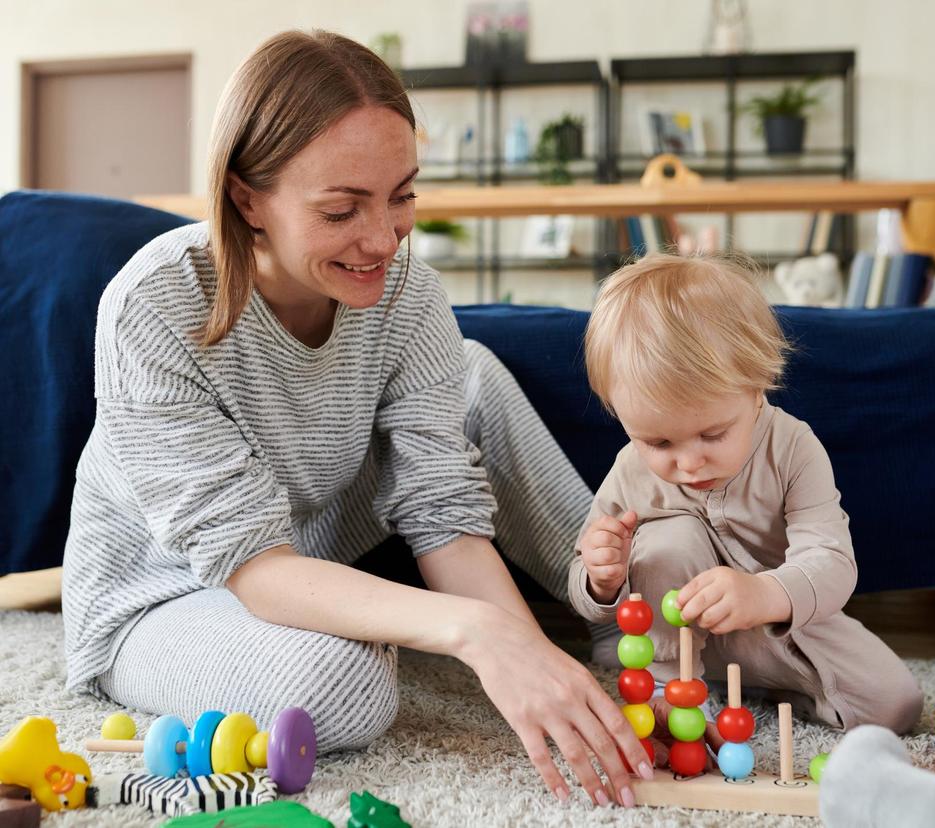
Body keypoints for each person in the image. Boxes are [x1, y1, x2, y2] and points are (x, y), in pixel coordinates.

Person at [61, 29, 650, 808]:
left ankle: (617, 617)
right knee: (342, 686)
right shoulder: (154, 307)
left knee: (476, 371)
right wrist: (475, 632)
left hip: (305, 544)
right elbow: (256, 569)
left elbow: (443, 512)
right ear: (247, 197)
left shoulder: (411, 298)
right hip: (162, 592)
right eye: (343, 209)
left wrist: (527, 653)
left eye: (402, 196)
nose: (383, 239)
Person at [568, 252, 924, 761]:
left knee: (896, 705)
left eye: (712, 433)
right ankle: (673, 690)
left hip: (781, 625)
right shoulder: (629, 468)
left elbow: (833, 563)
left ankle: (771, 684)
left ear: (756, 388)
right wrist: (600, 578)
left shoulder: (793, 447)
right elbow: (585, 582)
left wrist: (763, 594)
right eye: (658, 443)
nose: (688, 463)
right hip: (680, 642)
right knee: (667, 539)